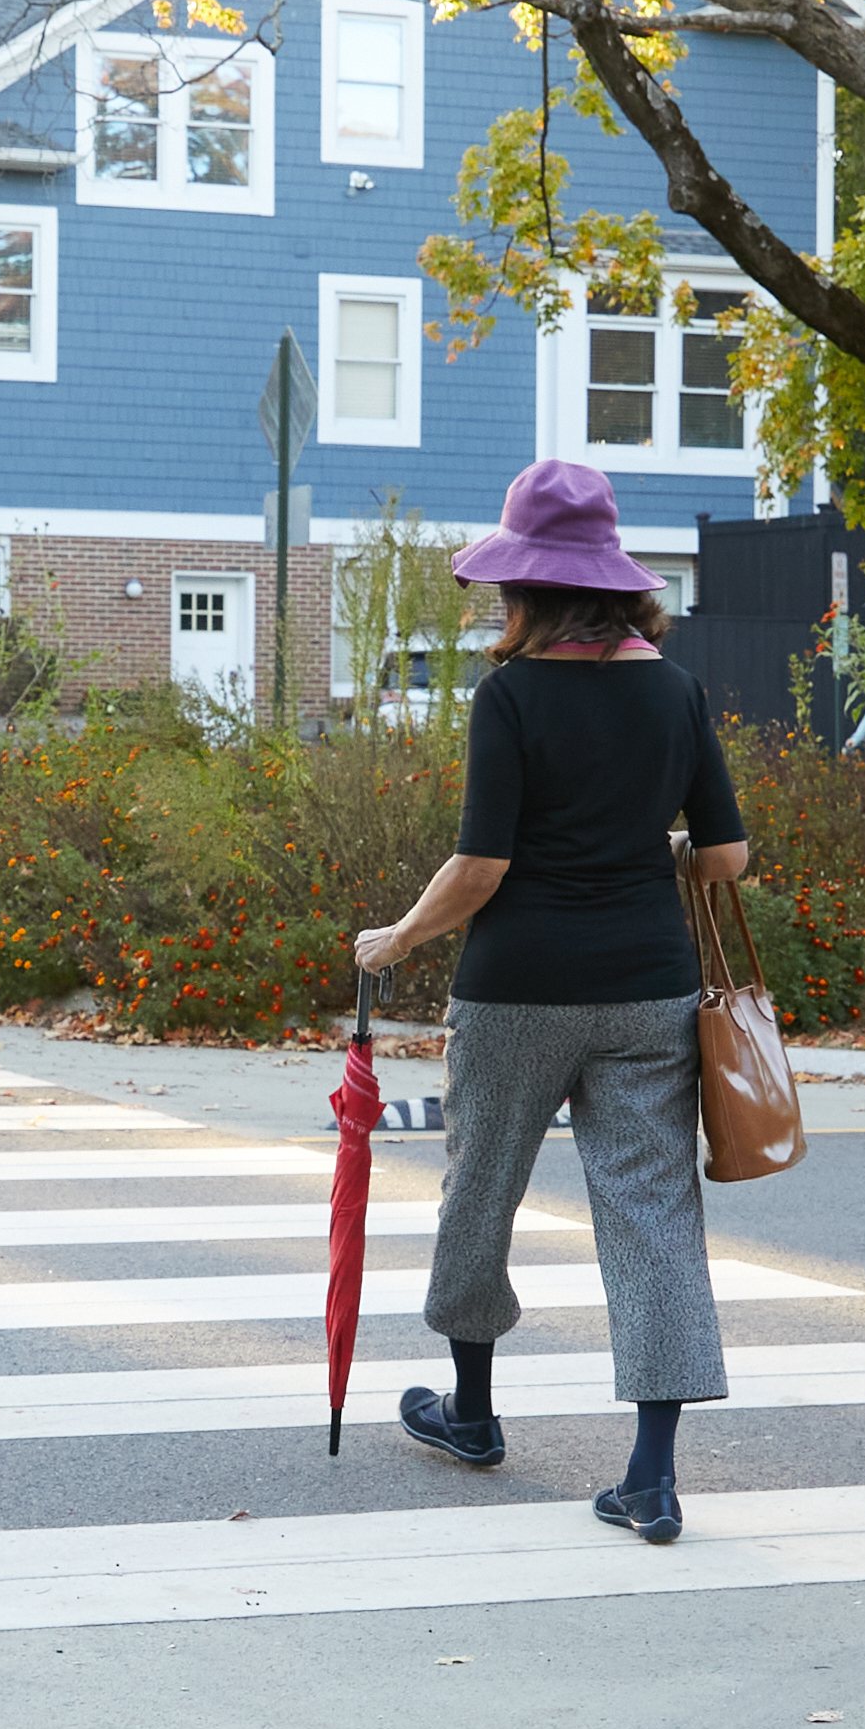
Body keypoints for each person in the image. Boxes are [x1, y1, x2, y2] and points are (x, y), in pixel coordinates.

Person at [351, 459, 755, 1545]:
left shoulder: (512, 695)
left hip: (520, 986)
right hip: (647, 989)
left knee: (481, 1190)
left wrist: (396, 938)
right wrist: (645, 842)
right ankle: (653, 1478)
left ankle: (472, 1414)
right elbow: (725, 858)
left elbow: (482, 868)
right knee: (653, 1213)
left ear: (527, 588)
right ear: (621, 587)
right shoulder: (675, 689)